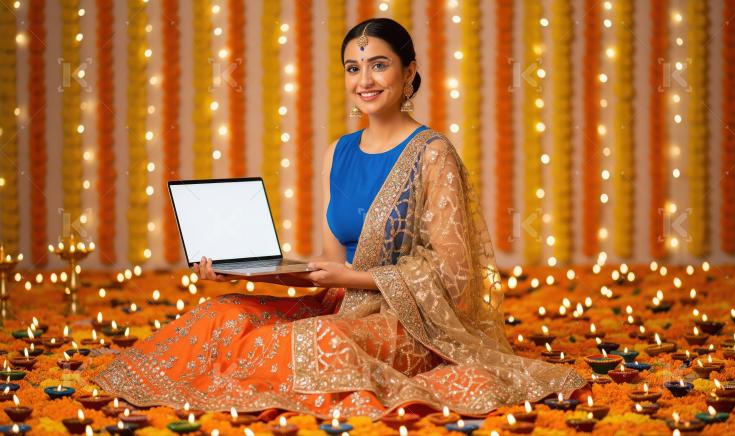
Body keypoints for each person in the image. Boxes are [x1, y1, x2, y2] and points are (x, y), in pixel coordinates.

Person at [94, 17, 586, 420]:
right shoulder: (339, 152)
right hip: (339, 302)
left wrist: (352, 277)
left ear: (410, 71)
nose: (364, 80)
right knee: (220, 314)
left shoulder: (432, 154)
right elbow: (327, 267)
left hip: (410, 323)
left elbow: (456, 277)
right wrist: (246, 270)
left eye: (378, 65)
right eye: (353, 68)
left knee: (317, 339)